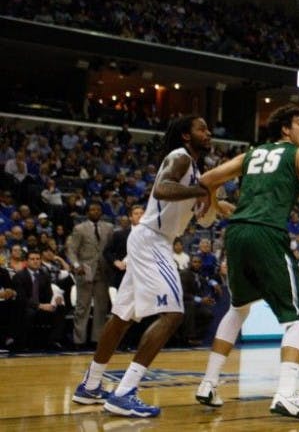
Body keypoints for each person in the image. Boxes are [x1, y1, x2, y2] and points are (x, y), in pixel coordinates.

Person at [195, 104, 299, 422]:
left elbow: (207, 178)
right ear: (286, 129)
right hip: (266, 233)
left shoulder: (252, 154)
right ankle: (286, 394)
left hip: (237, 233)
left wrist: (217, 204)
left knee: (239, 308)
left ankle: (208, 383)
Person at [71, 115, 214, 417]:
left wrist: (211, 201)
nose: (209, 132)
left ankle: (92, 384)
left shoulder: (192, 164)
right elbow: (163, 189)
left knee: (122, 316)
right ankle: (124, 392)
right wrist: (200, 191)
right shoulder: (181, 157)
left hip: (148, 239)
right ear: (187, 136)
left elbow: (184, 203)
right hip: (154, 240)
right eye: (202, 128)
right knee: (173, 314)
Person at [65, 202, 114, 348]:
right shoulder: (79, 229)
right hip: (85, 270)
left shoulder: (109, 228)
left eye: (98, 209)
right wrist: (76, 265)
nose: (95, 211)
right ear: (87, 212)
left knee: (101, 307)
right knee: (82, 307)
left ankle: (97, 339)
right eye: (92, 209)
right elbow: (72, 250)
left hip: (103, 271)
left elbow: (111, 249)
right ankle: (79, 340)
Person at [12, 249, 67, 350]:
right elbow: (22, 299)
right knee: (29, 312)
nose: (35, 261)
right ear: (27, 261)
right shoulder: (19, 276)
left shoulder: (44, 276)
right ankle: (23, 343)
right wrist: (39, 306)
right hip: (25, 306)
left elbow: (49, 295)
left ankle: (53, 341)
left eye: (38, 259)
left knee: (60, 309)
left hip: (41, 306)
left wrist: (55, 301)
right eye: (32, 259)